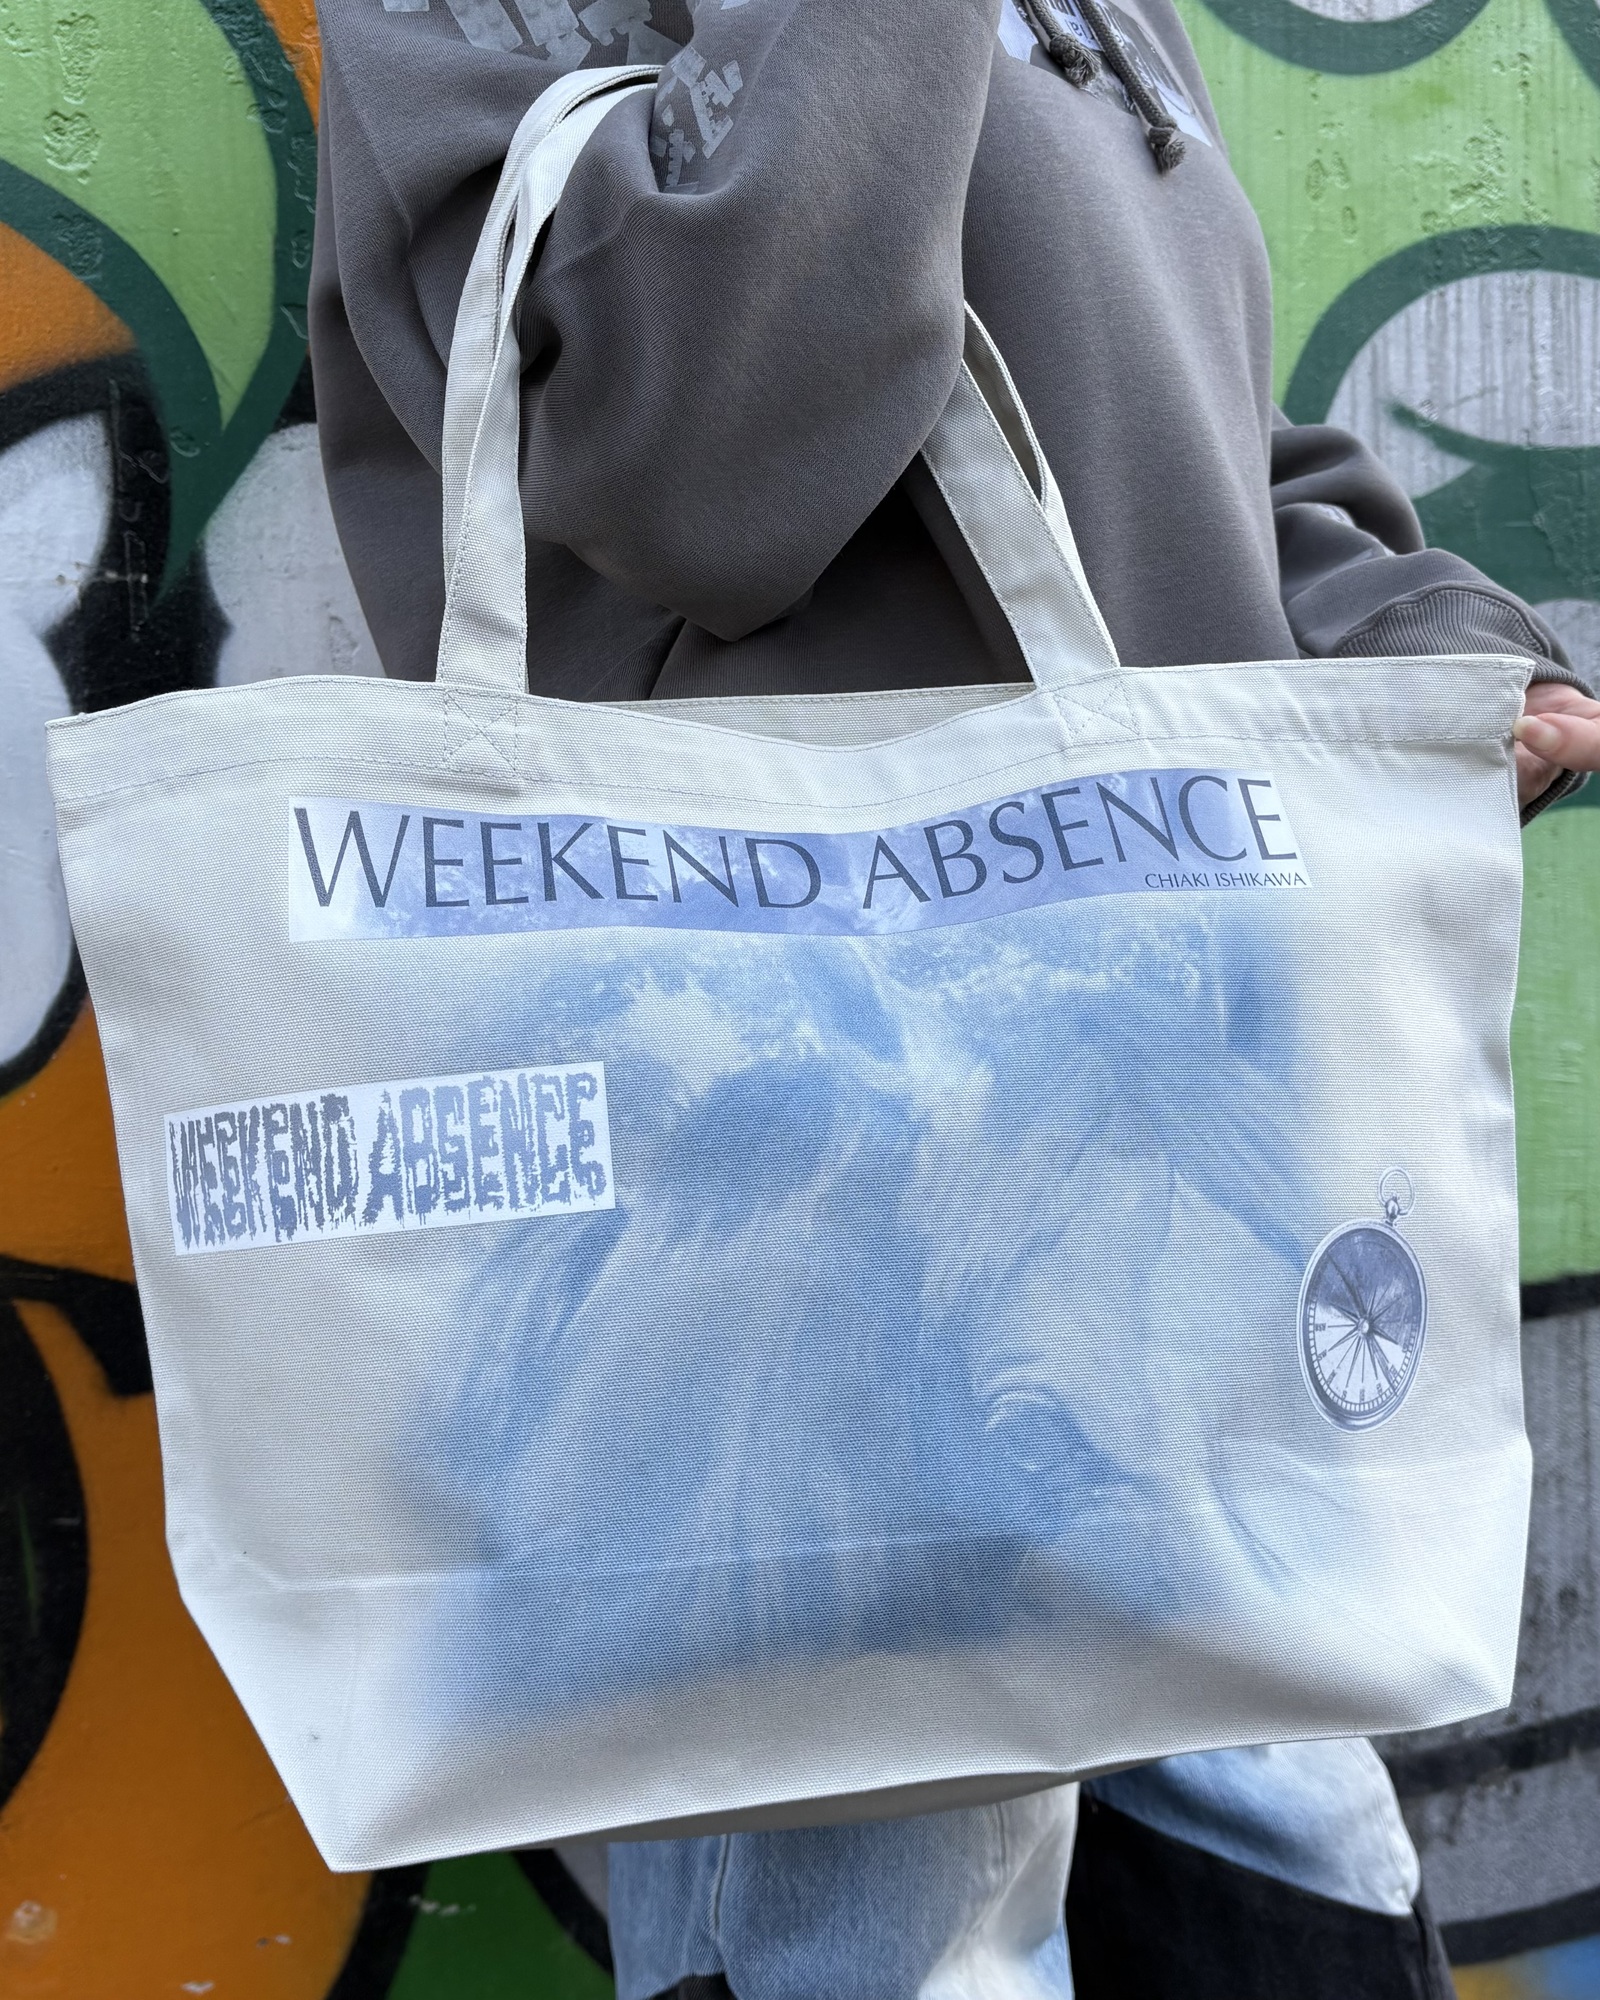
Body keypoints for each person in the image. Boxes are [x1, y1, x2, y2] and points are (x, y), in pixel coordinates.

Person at [309, 2, 1600, 1994]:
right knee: (878, 1940)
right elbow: (697, 464)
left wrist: (1408, 643)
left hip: (1159, 1215)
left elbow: (1168, 445)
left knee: (1302, 1909)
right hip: (810, 1259)